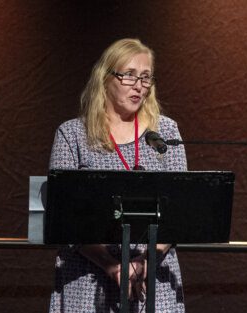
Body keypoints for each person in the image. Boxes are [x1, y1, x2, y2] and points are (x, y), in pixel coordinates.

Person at [48, 38, 187, 313]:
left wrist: (144, 262)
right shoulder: (73, 134)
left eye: (146, 78)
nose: (138, 85)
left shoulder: (165, 134)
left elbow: (180, 211)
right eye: (129, 75)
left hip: (152, 276)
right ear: (105, 78)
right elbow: (62, 215)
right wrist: (112, 266)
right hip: (87, 277)